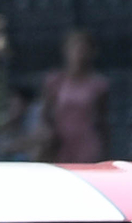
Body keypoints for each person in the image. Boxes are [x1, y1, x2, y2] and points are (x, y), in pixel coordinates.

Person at [39, 28, 109, 162]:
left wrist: (106, 150)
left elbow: (102, 120)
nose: (79, 54)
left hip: (88, 143)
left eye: (83, 49)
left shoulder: (99, 84)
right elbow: (45, 114)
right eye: (75, 48)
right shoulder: (55, 81)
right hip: (61, 143)